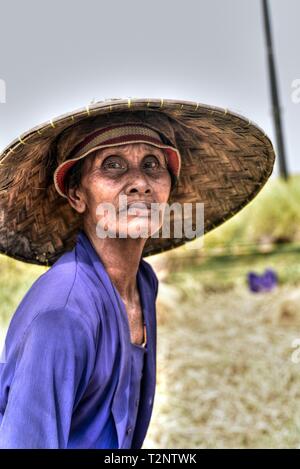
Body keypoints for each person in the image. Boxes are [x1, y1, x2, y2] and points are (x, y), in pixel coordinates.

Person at [0, 98, 275, 448]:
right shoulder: (62, 315)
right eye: (112, 165)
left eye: (152, 165)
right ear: (76, 195)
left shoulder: (142, 284)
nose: (139, 183)